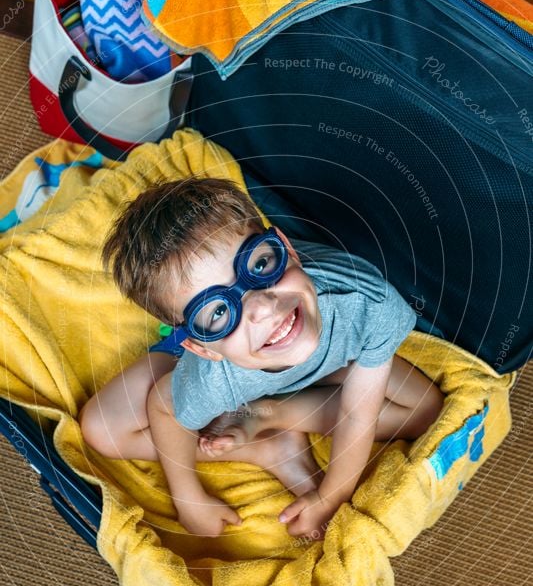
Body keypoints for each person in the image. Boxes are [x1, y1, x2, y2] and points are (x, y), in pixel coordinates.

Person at [80, 177, 443, 539]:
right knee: (101, 429)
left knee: (425, 411)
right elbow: (164, 409)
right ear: (202, 347)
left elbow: (356, 413)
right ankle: (265, 448)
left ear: (286, 247)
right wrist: (188, 497)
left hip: (326, 362)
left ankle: (272, 415)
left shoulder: (369, 302)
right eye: (218, 312)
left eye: (260, 265)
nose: (264, 309)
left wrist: (330, 497)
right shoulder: (215, 375)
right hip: (222, 366)